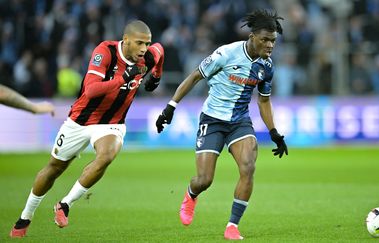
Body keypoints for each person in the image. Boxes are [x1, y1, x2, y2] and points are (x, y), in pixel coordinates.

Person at [9, 20, 164, 238]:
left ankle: (65, 204)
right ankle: (25, 217)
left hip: (112, 123)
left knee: (107, 154)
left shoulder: (148, 55)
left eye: (146, 44)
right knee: (54, 168)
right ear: (126, 40)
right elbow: (91, 90)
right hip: (80, 120)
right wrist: (124, 78)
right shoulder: (106, 51)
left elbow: (160, 51)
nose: (144, 49)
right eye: (139, 43)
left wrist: (156, 77)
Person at [156, 10, 287, 240]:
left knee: (248, 167)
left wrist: (274, 132)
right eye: (265, 39)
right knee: (204, 180)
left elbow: (263, 100)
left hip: (239, 122)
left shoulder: (267, 66)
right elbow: (195, 76)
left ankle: (232, 226)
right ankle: (190, 194)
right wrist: (171, 106)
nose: (270, 45)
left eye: (273, 41)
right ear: (252, 36)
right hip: (212, 120)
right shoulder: (226, 53)